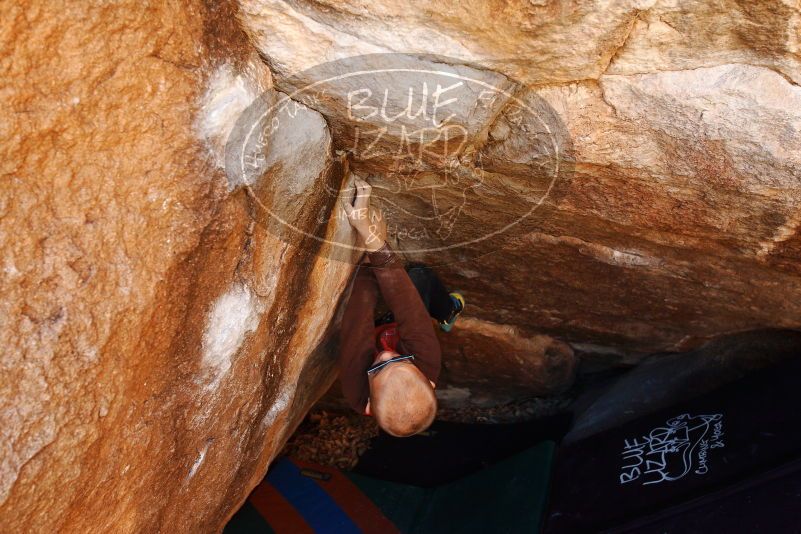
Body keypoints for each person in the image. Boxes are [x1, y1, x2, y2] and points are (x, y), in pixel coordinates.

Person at [338, 177, 463, 437]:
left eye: (376, 369)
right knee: (419, 278)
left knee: (367, 310)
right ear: (427, 380)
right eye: (402, 359)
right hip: (395, 325)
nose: (384, 357)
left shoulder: (355, 391)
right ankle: (447, 311)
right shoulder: (428, 361)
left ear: (370, 404)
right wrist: (375, 243)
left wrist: (364, 247)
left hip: (376, 327)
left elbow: (357, 319)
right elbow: (409, 307)